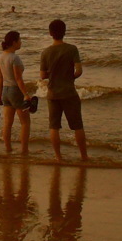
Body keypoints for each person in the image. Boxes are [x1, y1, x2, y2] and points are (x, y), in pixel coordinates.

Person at [39, 18, 87, 162]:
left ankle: (58, 157)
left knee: (54, 126)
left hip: (53, 93)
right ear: (65, 32)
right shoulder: (71, 49)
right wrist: (69, 77)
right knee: (77, 125)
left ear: (50, 33)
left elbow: (42, 75)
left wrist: (53, 74)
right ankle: (84, 156)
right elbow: (79, 71)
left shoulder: (46, 52)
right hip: (69, 92)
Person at [0, 30, 30, 155]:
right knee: (25, 122)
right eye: (19, 40)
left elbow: (0, 78)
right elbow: (18, 79)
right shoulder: (14, 58)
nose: (21, 42)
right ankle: (24, 150)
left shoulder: (1, 57)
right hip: (15, 90)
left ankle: (8, 148)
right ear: (14, 42)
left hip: (5, 90)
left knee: (8, 123)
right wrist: (26, 94)